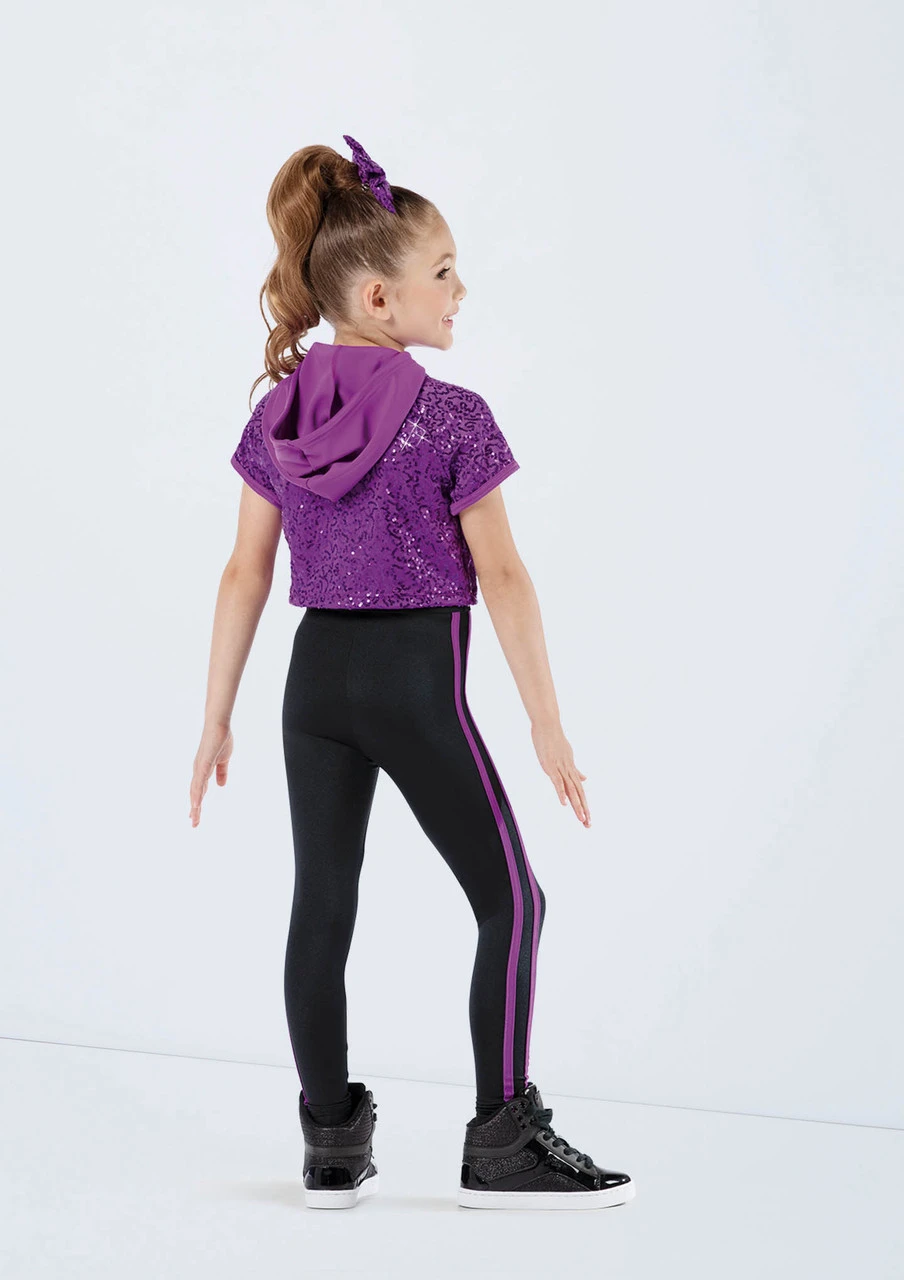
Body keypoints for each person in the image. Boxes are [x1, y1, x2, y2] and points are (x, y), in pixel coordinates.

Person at [189, 134, 635, 1212]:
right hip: (413, 682)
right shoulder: (452, 416)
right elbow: (505, 575)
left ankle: (330, 1147)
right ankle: (503, 1142)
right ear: (381, 297)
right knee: (513, 900)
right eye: (444, 271)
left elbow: (245, 571)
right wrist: (547, 726)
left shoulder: (277, 414)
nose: (460, 288)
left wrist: (217, 717)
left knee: (321, 910)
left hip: (312, 687)